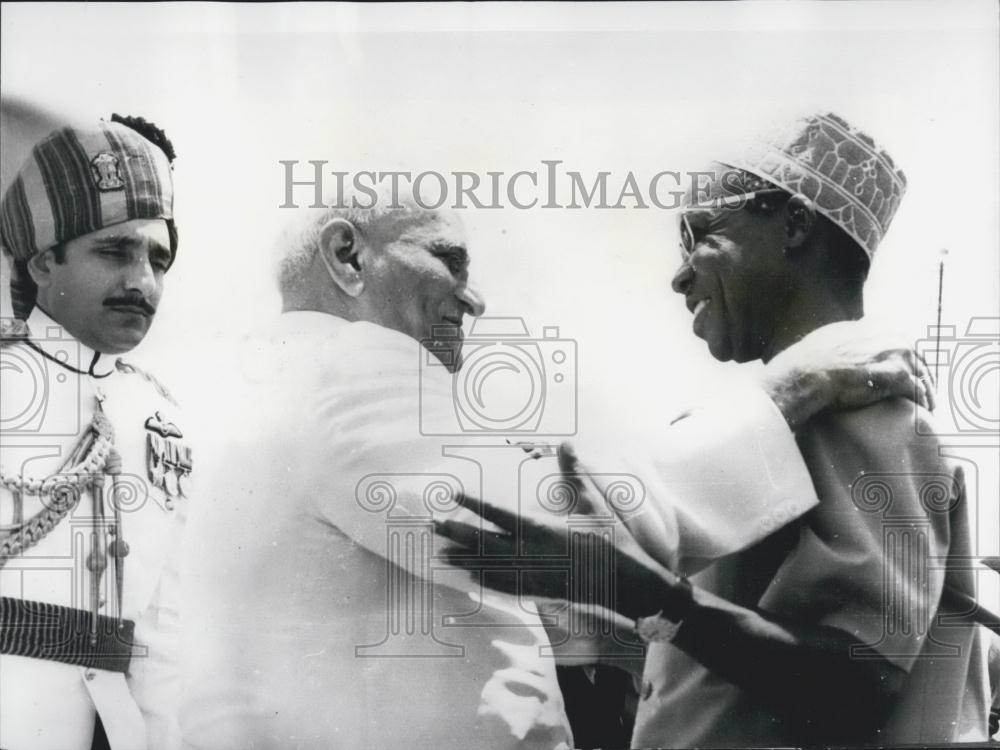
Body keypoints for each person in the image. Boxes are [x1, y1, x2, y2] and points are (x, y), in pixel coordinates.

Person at [178, 185, 931, 750]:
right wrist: (792, 388)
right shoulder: (349, 371)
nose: (474, 299)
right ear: (348, 257)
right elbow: (546, 531)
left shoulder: (263, 382)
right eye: (449, 259)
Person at [442, 112, 988, 746]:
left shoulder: (862, 413)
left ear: (793, 223)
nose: (679, 275)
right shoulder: (791, 413)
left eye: (700, 233)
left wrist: (661, 604)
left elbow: (860, 684)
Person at [0, 115, 191, 750]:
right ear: (44, 260)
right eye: (114, 251)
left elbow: (160, 636)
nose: (142, 283)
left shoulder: (157, 414)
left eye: (157, 259)